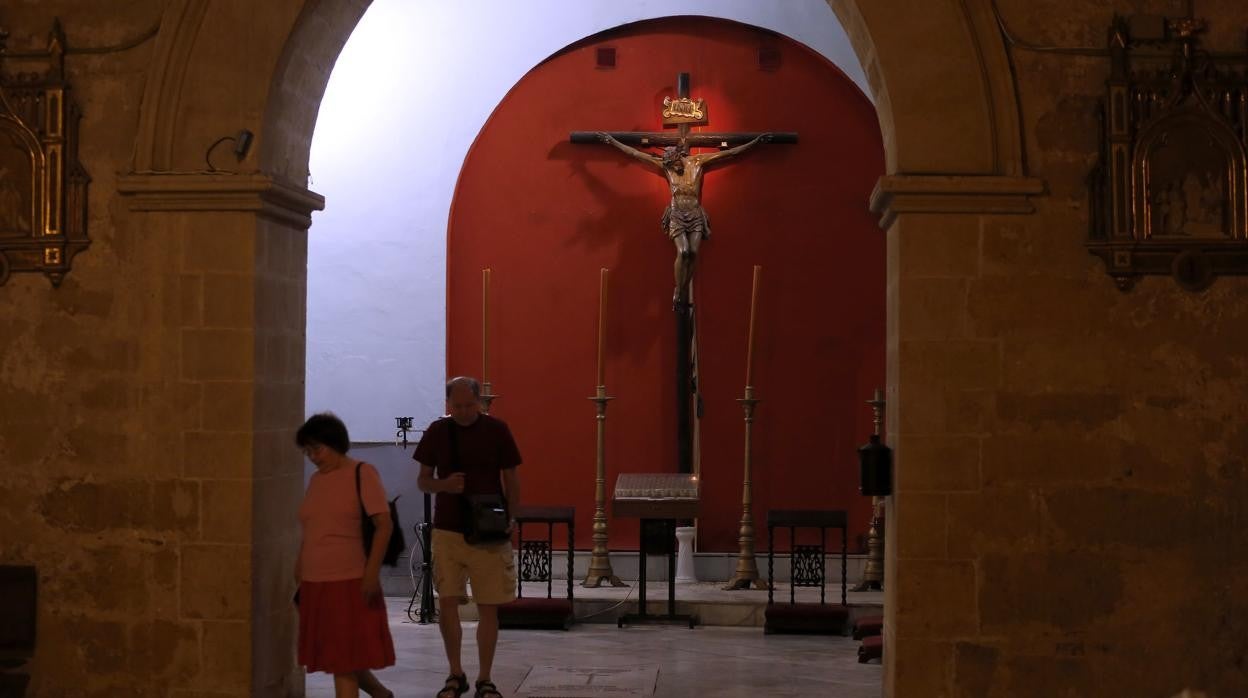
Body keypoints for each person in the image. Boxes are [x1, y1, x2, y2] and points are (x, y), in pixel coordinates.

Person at [415, 377, 522, 698]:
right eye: (457, 406)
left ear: (480, 402)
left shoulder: (497, 430)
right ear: (449, 403)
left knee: (489, 605)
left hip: (489, 528)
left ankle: (485, 678)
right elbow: (422, 481)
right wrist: (444, 485)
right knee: (447, 602)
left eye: (469, 405)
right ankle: (455, 672)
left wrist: (512, 515)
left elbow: (511, 478)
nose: (463, 412)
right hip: (448, 528)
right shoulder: (437, 431)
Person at [596, 131, 770, 307]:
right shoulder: (667, 166)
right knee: (684, 251)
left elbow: (730, 153)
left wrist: (754, 143)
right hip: (677, 213)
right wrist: (613, 142)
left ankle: (683, 288)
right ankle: (679, 290)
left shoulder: (698, 162)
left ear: (679, 156)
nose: (673, 168)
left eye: (674, 163)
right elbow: (635, 153)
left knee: (694, 253)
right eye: (669, 165)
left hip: (695, 214)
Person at [295, 412, 396, 698]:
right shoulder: (316, 480)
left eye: (317, 449)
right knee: (338, 657)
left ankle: (378, 693)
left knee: (343, 662)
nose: (313, 457)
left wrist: (371, 573)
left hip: (348, 580)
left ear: (335, 443)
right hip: (315, 582)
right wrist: (300, 564)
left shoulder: (361, 473)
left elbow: (383, 525)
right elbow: (313, 526)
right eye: (307, 451)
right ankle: (380, 694)